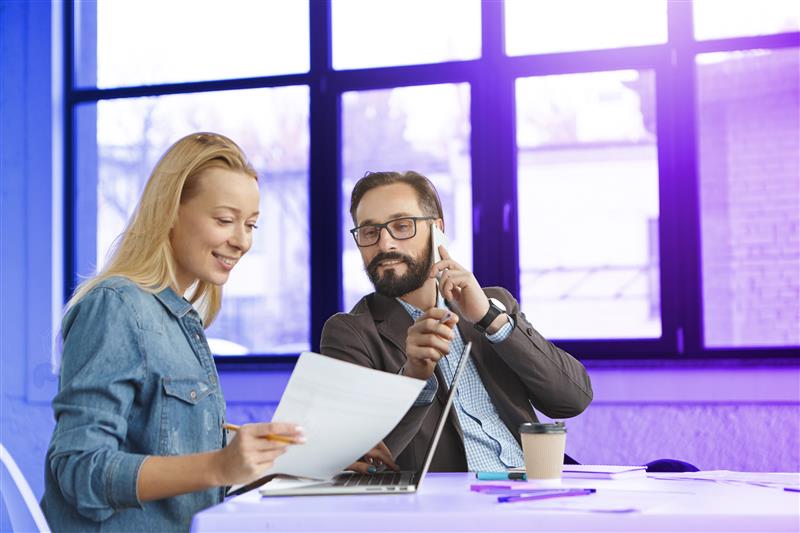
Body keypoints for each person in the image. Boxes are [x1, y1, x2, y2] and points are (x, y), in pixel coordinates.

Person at [41, 133, 305, 532]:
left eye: (251, 224)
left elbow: (188, 466)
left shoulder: (180, 320)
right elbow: (80, 470)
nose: (242, 241)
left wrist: (306, 458)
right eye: (224, 220)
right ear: (169, 212)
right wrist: (220, 465)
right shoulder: (116, 306)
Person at [321, 171, 593, 473]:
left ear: (437, 230)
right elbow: (363, 461)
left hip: (534, 486)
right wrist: (413, 377)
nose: (385, 244)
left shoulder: (493, 303)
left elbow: (573, 399)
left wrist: (490, 319)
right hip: (454, 499)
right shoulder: (351, 333)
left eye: (402, 226)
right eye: (370, 232)